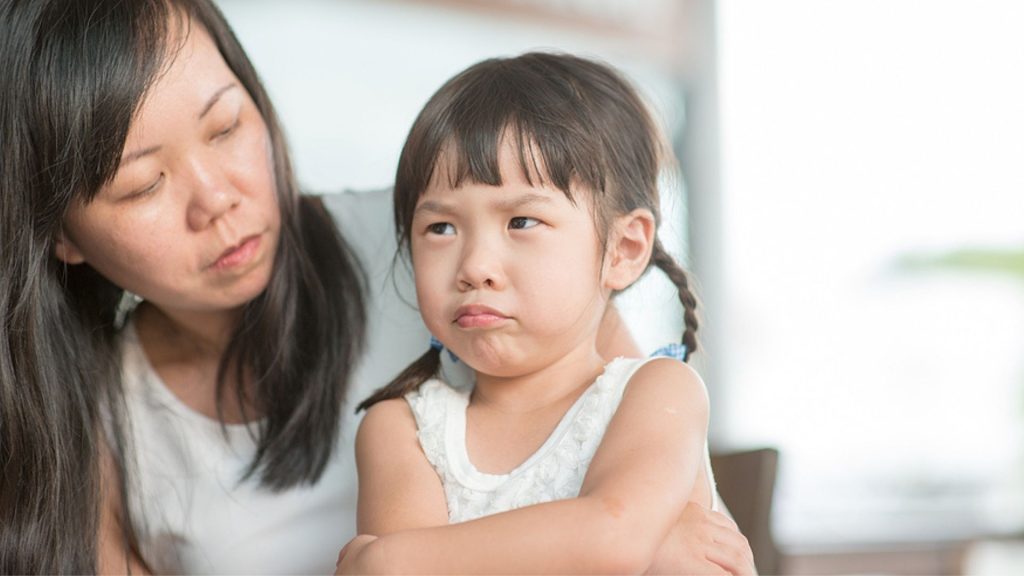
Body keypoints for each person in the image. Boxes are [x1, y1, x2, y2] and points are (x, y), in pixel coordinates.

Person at [0, 1, 753, 573]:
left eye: (226, 128)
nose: (216, 199)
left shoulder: (438, 245)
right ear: (59, 233)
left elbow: (648, 492)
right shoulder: (90, 418)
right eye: (144, 185)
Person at [338, 52, 735, 574]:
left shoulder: (657, 393)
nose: (475, 267)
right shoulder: (401, 429)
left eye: (522, 221)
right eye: (441, 229)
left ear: (623, 249)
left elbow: (611, 537)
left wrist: (389, 557)